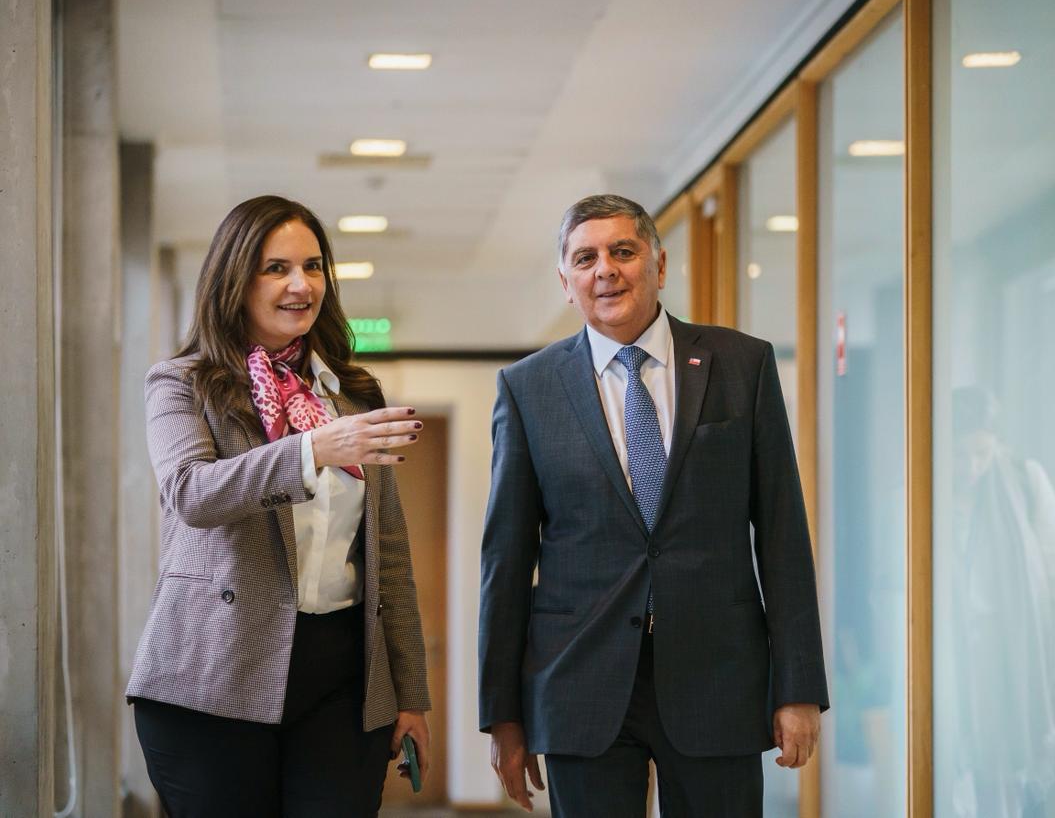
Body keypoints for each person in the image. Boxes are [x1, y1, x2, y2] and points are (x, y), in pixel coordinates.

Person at [478, 194, 829, 817]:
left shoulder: (742, 364)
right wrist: (503, 714)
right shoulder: (528, 387)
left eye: (623, 251)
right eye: (585, 258)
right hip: (579, 683)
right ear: (565, 282)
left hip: (718, 677)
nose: (605, 270)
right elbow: (505, 561)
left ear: (659, 265)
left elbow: (783, 536)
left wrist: (798, 687)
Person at [126, 195, 430, 817]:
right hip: (212, 677)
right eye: (276, 268)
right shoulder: (182, 382)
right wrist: (311, 450)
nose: (301, 284)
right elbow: (191, 493)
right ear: (235, 280)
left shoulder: (351, 394)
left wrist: (410, 694)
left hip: (343, 679)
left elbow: (389, 554)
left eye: (313, 266)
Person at [943, 387, 1055, 818]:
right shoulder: (925, 486)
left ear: (997, 444)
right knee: (953, 778)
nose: (970, 468)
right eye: (959, 455)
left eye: (981, 453)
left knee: (1006, 786)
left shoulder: (1025, 480)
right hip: (949, 660)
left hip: (1011, 658)